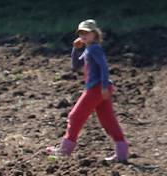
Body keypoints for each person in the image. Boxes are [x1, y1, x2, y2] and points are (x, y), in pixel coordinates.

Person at [49, 20, 129, 163]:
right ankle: (121, 153)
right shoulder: (89, 49)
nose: (83, 35)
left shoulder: (94, 49)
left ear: (95, 34)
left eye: (87, 32)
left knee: (75, 116)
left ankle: (64, 151)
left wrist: (104, 86)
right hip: (98, 88)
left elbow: (104, 67)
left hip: (97, 88)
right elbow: (76, 66)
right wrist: (75, 49)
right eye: (81, 33)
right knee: (108, 120)